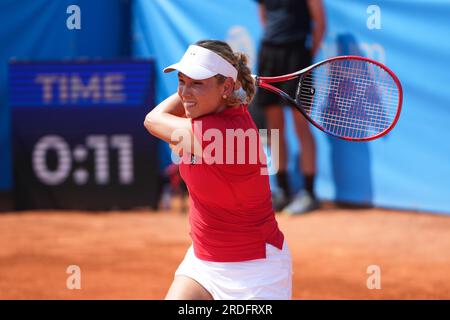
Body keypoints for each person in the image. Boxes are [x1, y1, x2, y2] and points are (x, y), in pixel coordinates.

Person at [144, 40, 292, 300]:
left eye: (197, 83)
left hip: (255, 273)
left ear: (225, 87)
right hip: (202, 262)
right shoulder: (203, 116)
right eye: (181, 81)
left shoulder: (228, 137)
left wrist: (231, 84)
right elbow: (175, 109)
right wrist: (208, 87)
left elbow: (153, 120)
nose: (185, 92)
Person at [254, 0, 326, 214]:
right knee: (275, 128)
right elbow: (264, 17)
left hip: (298, 54)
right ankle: (283, 191)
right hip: (269, 54)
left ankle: (309, 193)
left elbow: (320, 24)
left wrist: (306, 57)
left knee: (301, 125)